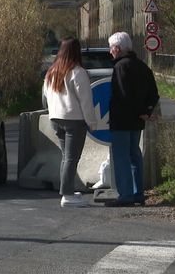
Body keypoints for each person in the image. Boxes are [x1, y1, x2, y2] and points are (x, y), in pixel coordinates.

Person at [105, 32, 159, 207]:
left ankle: (126, 195)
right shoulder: (143, 66)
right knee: (135, 155)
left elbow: (123, 94)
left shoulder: (120, 67)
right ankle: (138, 193)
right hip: (137, 121)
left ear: (117, 48)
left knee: (121, 157)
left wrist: (139, 111)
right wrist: (146, 111)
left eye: (111, 48)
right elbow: (153, 92)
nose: (110, 52)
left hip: (122, 119)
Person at [42, 37, 97, 207]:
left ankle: (68, 190)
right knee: (72, 158)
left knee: (66, 157)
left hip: (55, 119)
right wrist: (91, 122)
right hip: (74, 120)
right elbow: (86, 101)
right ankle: (67, 194)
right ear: (76, 51)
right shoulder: (77, 72)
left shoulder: (51, 72)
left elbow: (45, 97)